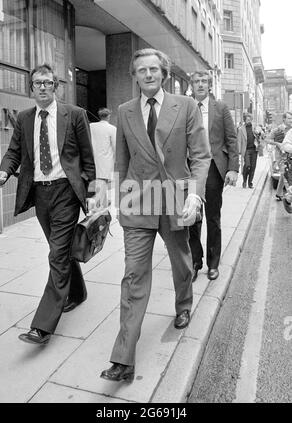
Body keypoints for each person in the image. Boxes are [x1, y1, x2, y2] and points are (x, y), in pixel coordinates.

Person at [100, 48, 211, 382]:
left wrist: (195, 194)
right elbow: (121, 159)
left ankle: (183, 305)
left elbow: (201, 156)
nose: (147, 75)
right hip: (138, 202)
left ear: (163, 73)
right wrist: (118, 199)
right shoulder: (124, 110)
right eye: (140, 70)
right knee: (134, 274)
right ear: (134, 75)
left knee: (181, 260)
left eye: (153, 69)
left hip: (175, 198)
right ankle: (123, 358)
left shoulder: (186, 105)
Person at [0, 63, 97, 345]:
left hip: (66, 191)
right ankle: (77, 292)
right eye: (38, 83)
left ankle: (43, 325)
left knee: (56, 255)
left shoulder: (74, 115)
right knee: (59, 249)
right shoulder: (25, 118)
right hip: (40, 194)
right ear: (31, 88)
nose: (43, 87)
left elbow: (87, 156)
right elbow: (14, 152)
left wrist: (91, 189)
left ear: (55, 87)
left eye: (48, 83)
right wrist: (4, 170)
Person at [188, 70, 239, 283]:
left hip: (213, 169)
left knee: (212, 218)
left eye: (204, 81)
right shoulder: (184, 106)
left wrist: (233, 168)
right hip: (189, 169)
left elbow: (232, 139)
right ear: (191, 85)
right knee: (191, 218)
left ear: (209, 85)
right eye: (197, 81)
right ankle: (195, 262)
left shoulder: (221, 108)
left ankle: (213, 263)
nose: (200, 84)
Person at [267, 111, 292, 200]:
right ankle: (289, 196)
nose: (291, 120)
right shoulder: (277, 130)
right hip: (281, 156)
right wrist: (277, 143)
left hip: (290, 156)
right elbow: (268, 140)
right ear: (284, 119)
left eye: (291, 118)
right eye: (289, 118)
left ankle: (278, 193)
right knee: (286, 174)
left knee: (283, 174)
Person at [90, 108, 116, 182]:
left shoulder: (91, 126)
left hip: (94, 159)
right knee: (104, 185)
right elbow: (115, 146)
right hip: (106, 160)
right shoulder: (112, 128)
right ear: (108, 116)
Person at [237, 113, 260, 189]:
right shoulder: (241, 129)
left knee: (253, 167)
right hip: (246, 150)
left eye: (250, 119)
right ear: (245, 120)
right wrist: (239, 151)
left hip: (254, 150)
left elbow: (262, 135)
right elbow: (239, 141)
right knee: (247, 165)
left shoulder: (255, 127)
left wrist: (258, 133)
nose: (249, 121)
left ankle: (250, 183)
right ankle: (244, 181)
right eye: (247, 120)